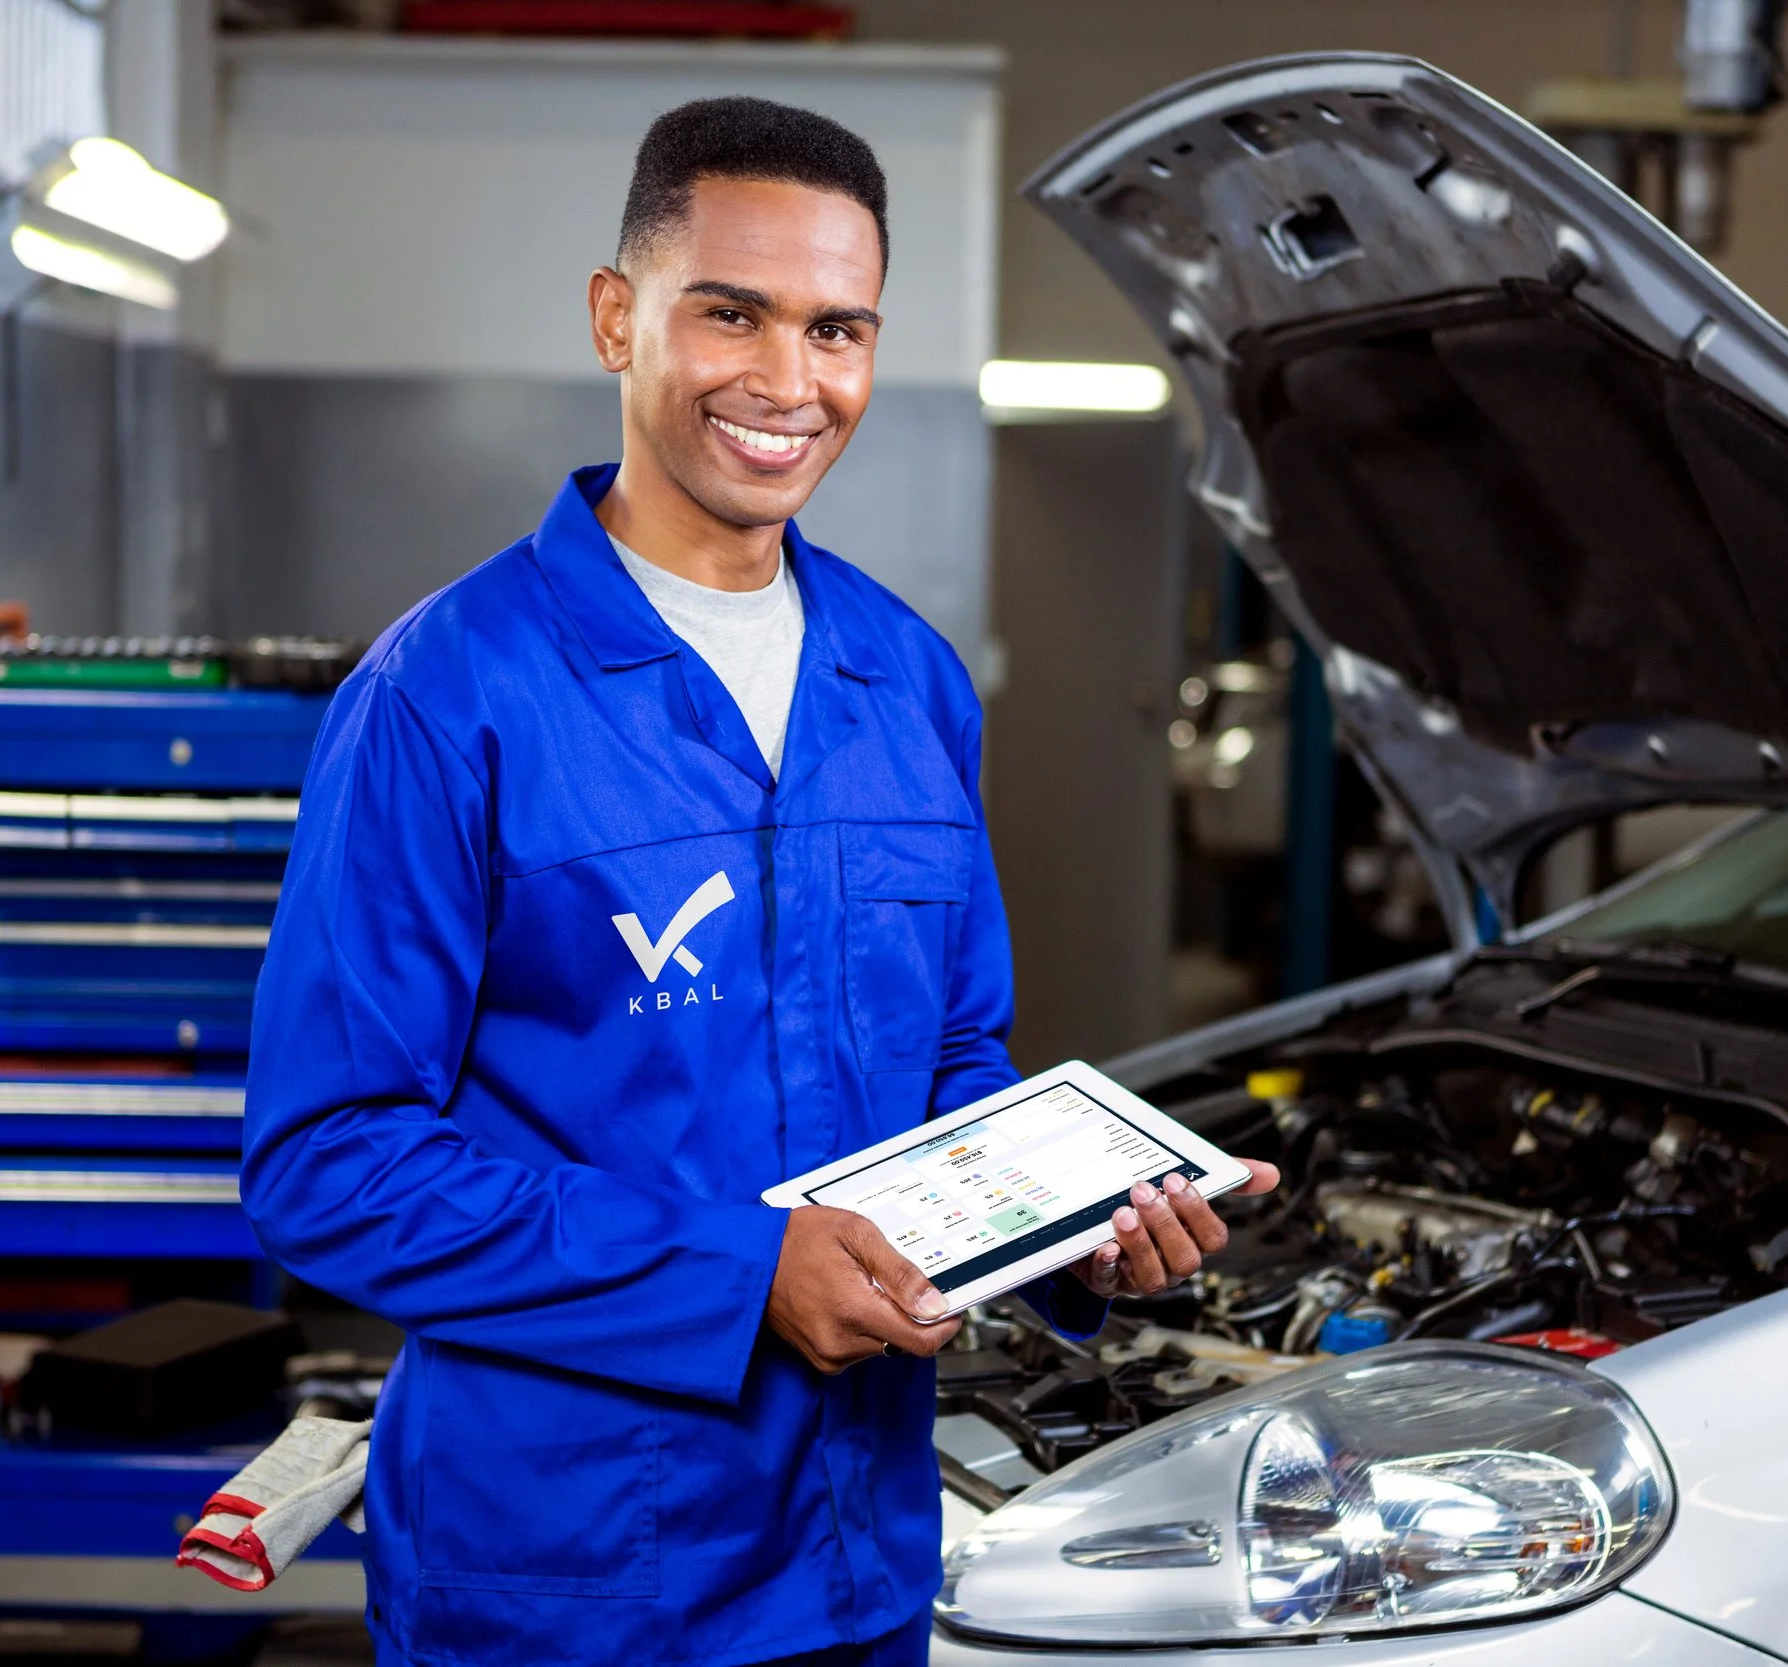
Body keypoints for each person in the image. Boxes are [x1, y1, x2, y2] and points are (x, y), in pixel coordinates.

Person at [240, 96, 1277, 1667]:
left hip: (859, 1555)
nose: (790, 383)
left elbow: (949, 1062)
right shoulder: (449, 697)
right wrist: (739, 1274)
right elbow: (330, 1159)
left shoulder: (906, 681)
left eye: (837, 327)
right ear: (617, 316)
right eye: (732, 313)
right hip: (569, 1574)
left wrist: (1064, 1231)